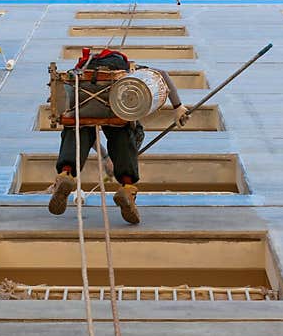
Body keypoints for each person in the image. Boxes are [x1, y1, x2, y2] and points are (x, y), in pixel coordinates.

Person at [48, 49, 188, 224]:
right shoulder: (132, 69)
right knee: (125, 131)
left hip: (82, 98)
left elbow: (90, 136)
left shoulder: (80, 72)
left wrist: (105, 156)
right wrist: (178, 106)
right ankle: (127, 188)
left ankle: (65, 174)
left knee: (78, 127)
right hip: (117, 103)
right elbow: (162, 74)